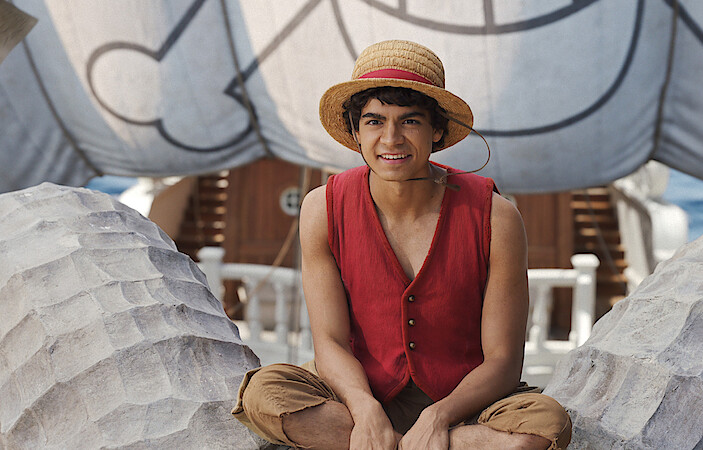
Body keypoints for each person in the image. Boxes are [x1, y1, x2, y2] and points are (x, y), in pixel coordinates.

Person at [232, 40, 571, 449]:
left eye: (409, 122)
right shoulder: (323, 208)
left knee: (545, 426)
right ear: (356, 131)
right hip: (359, 396)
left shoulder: (495, 216)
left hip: (463, 403)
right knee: (263, 394)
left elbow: (502, 359)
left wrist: (439, 416)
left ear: (438, 129)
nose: (390, 139)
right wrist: (365, 409)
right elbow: (330, 342)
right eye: (375, 122)